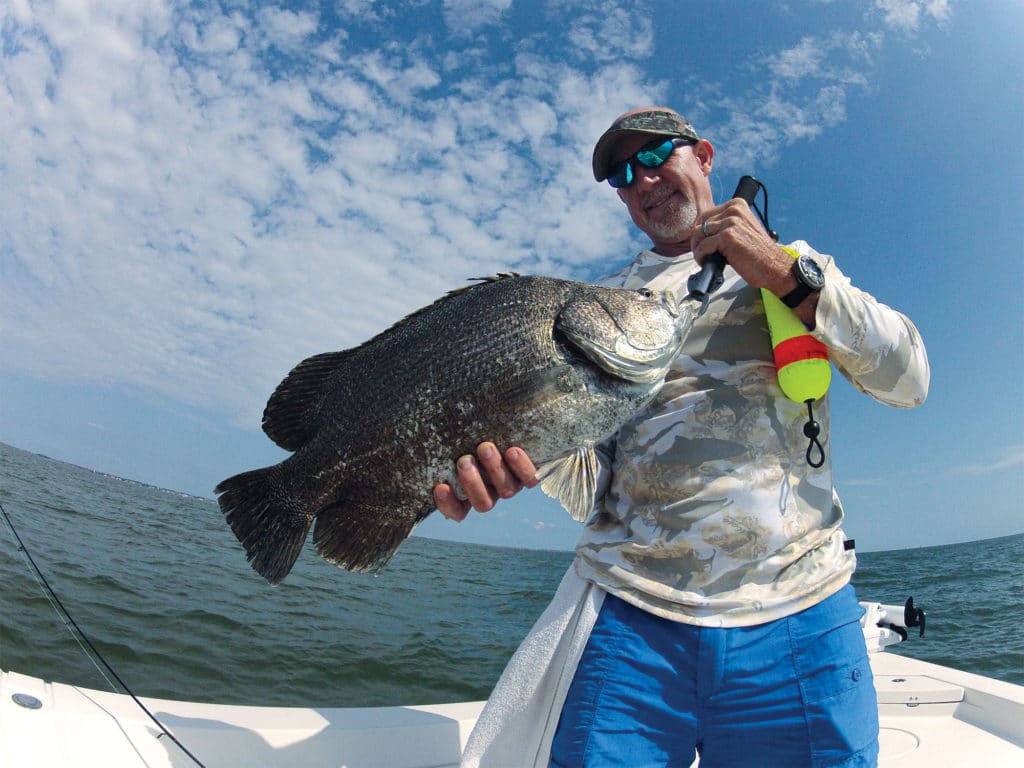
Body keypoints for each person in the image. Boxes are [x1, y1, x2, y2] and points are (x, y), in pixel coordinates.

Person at [435, 107, 930, 767]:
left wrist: (783, 274)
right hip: (631, 621)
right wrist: (507, 467)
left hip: (800, 616)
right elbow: (587, 480)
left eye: (654, 156)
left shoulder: (797, 266)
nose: (641, 181)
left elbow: (909, 378)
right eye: (621, 174)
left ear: (703, 155)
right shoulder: (597, 301)